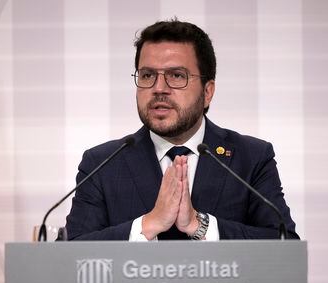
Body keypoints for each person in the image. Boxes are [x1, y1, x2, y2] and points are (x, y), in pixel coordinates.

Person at [66, 19, 299, 241]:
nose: (158, 89)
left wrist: (199, 225)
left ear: (207, 92)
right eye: (147, 75)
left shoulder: (250, 158)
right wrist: (148, 225)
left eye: (176, 76)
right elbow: (71, 251)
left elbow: (284, 243)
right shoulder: (102, 163)